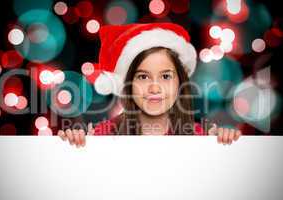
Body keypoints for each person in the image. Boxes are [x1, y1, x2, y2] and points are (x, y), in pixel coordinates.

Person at [57, 23, 241, 148]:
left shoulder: (200, 138)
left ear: (180, 83)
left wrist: (224, 142)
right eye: (143, 77)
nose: (155, 88)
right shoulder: (102, 136)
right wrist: (75, 145)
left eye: (166, 76)